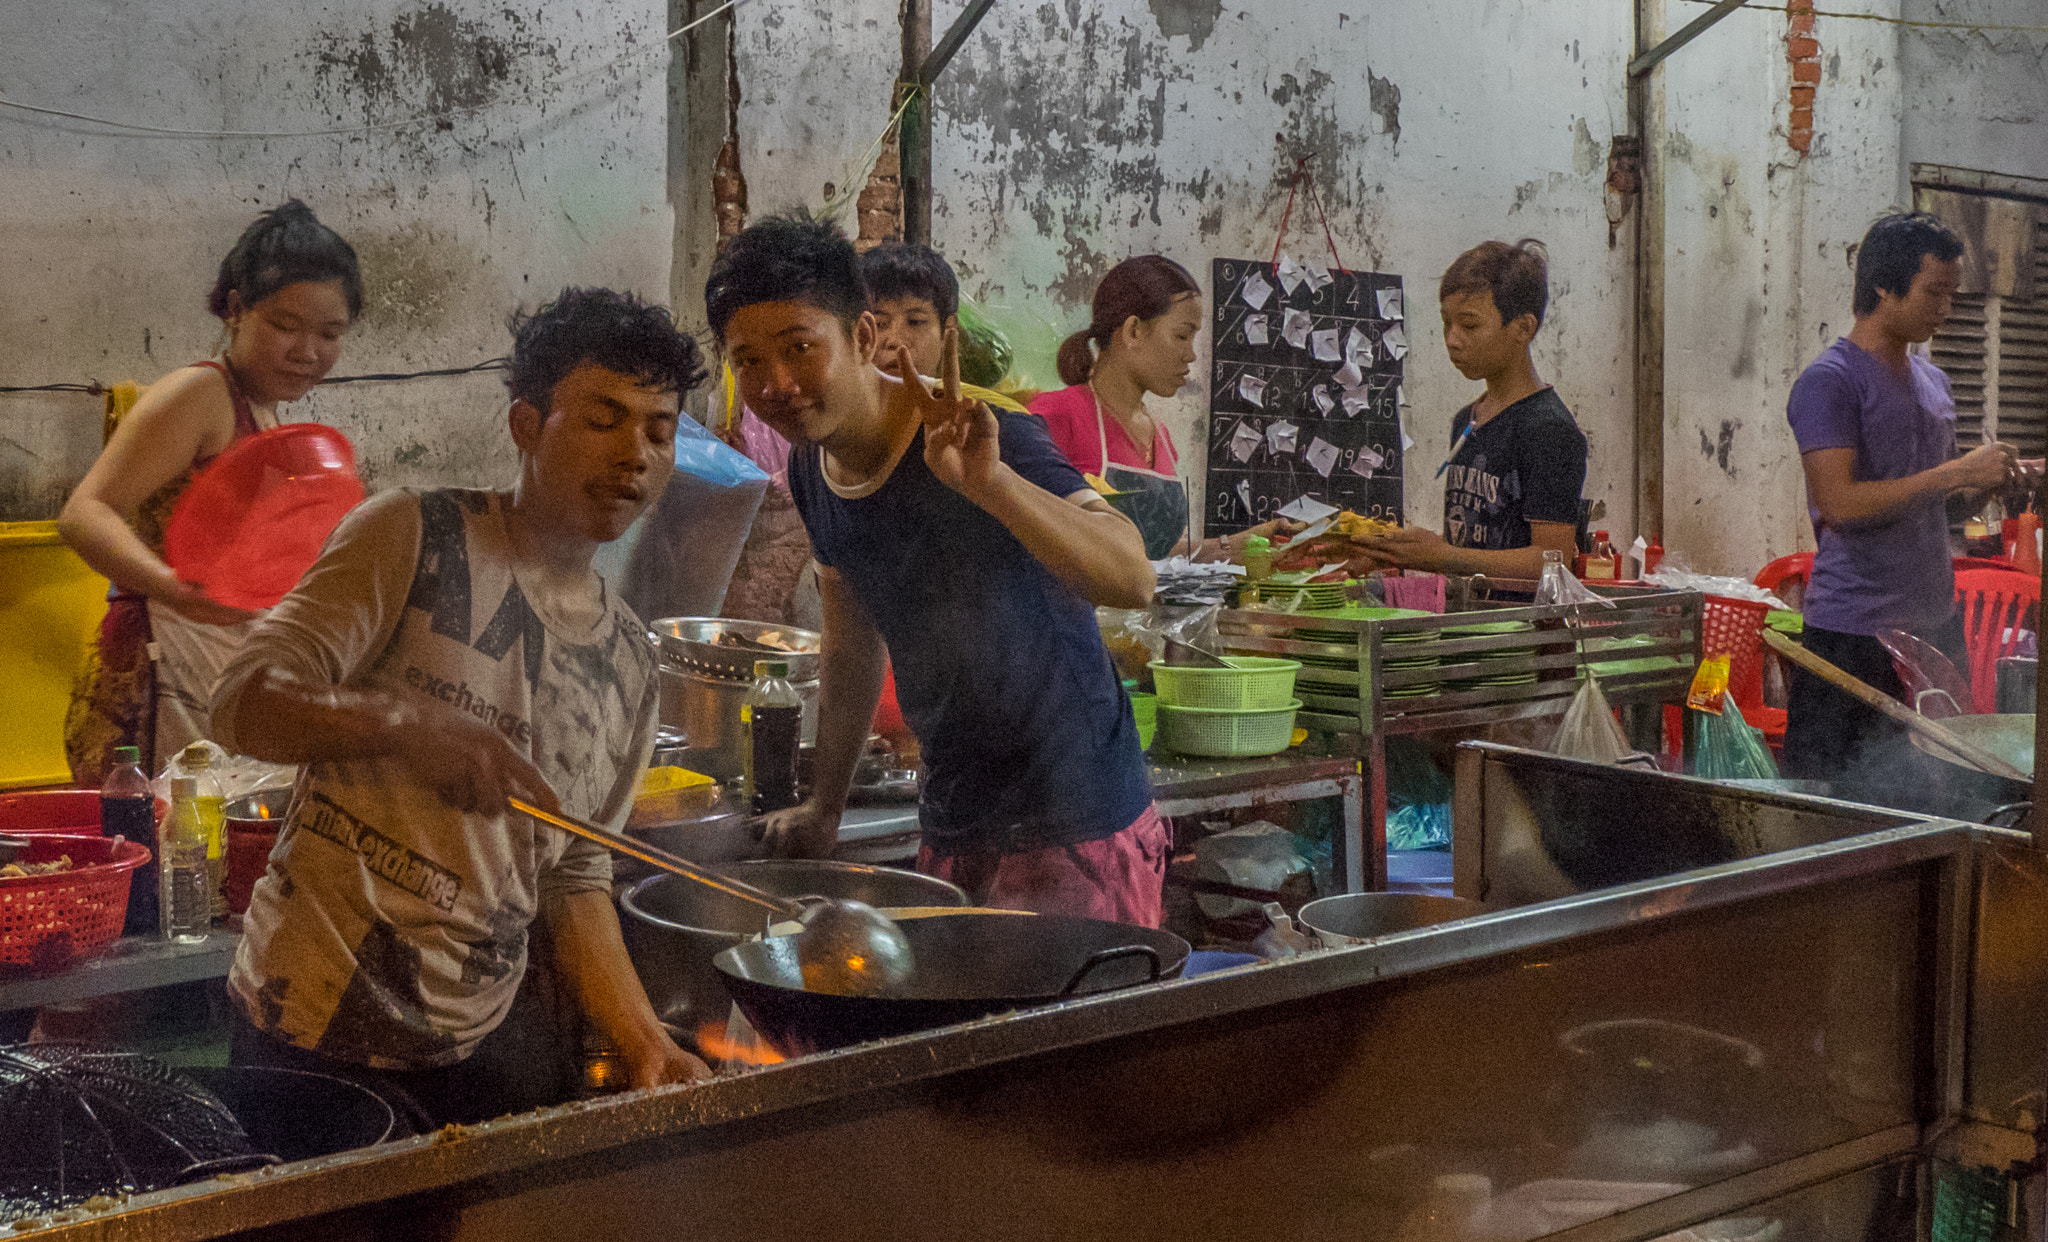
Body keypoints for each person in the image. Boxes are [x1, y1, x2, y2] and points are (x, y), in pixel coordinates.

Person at [211, 289, 711, 1131]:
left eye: (659, 431)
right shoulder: (417, 537)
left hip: (480, 1045)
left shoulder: (630, 660)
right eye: (604, 419)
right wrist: (404, 727)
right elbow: (241, 703)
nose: (635, 453)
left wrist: (643, 1042)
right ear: (526, 425)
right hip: (306, 1029)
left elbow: (575, 871)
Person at [707, 216, 1167, 926]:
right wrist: (824, 809)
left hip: (1076, 821)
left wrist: (989, 486)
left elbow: (1132, 576)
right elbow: (850, 640)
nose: (779, 383)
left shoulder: (981, 430)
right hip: (955, 822)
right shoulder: (811, 468)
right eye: (750, 361)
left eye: (800, 348)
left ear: (860, 338)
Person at [60, 200, 361, 784]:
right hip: (153, 671)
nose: (307, 351)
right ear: (234, 309)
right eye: (284, 324)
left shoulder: (269, 417)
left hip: (216, 661)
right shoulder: (200, 395)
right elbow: (83, 514)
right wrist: (174, 589)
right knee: (168, 853)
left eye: (330, 333)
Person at [1781, 211, 2018, 791]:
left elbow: (1929, 500)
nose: (1947, 307)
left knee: (1946, 799)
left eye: (1952, 293)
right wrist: (1951, 474)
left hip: (1936, 623)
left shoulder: (1934, 383)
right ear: (1884, 287)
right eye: (1934, 291)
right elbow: (1840, 504)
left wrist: (1984, 485)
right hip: (1855, 632)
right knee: (1837, 809)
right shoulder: (1829, 382)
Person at [1350, 239, 1587, 580]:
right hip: (1466, 626)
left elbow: (1553, 562)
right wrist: (1391, 553)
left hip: (1520, 631)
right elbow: (1477, 544)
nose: (1452, 339)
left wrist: (1440, 557)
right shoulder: (1468, 420)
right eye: (1447, 323)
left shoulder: (1548, 429)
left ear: (1523, 328)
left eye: (1470, 325)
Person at [1029, 256, 1214, 560]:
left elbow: (1155, 554)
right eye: (1182, 335)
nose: (1191, 355)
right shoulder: (1053, 416)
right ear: (1133, 331)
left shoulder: (1162, 438)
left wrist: (1246, 546)